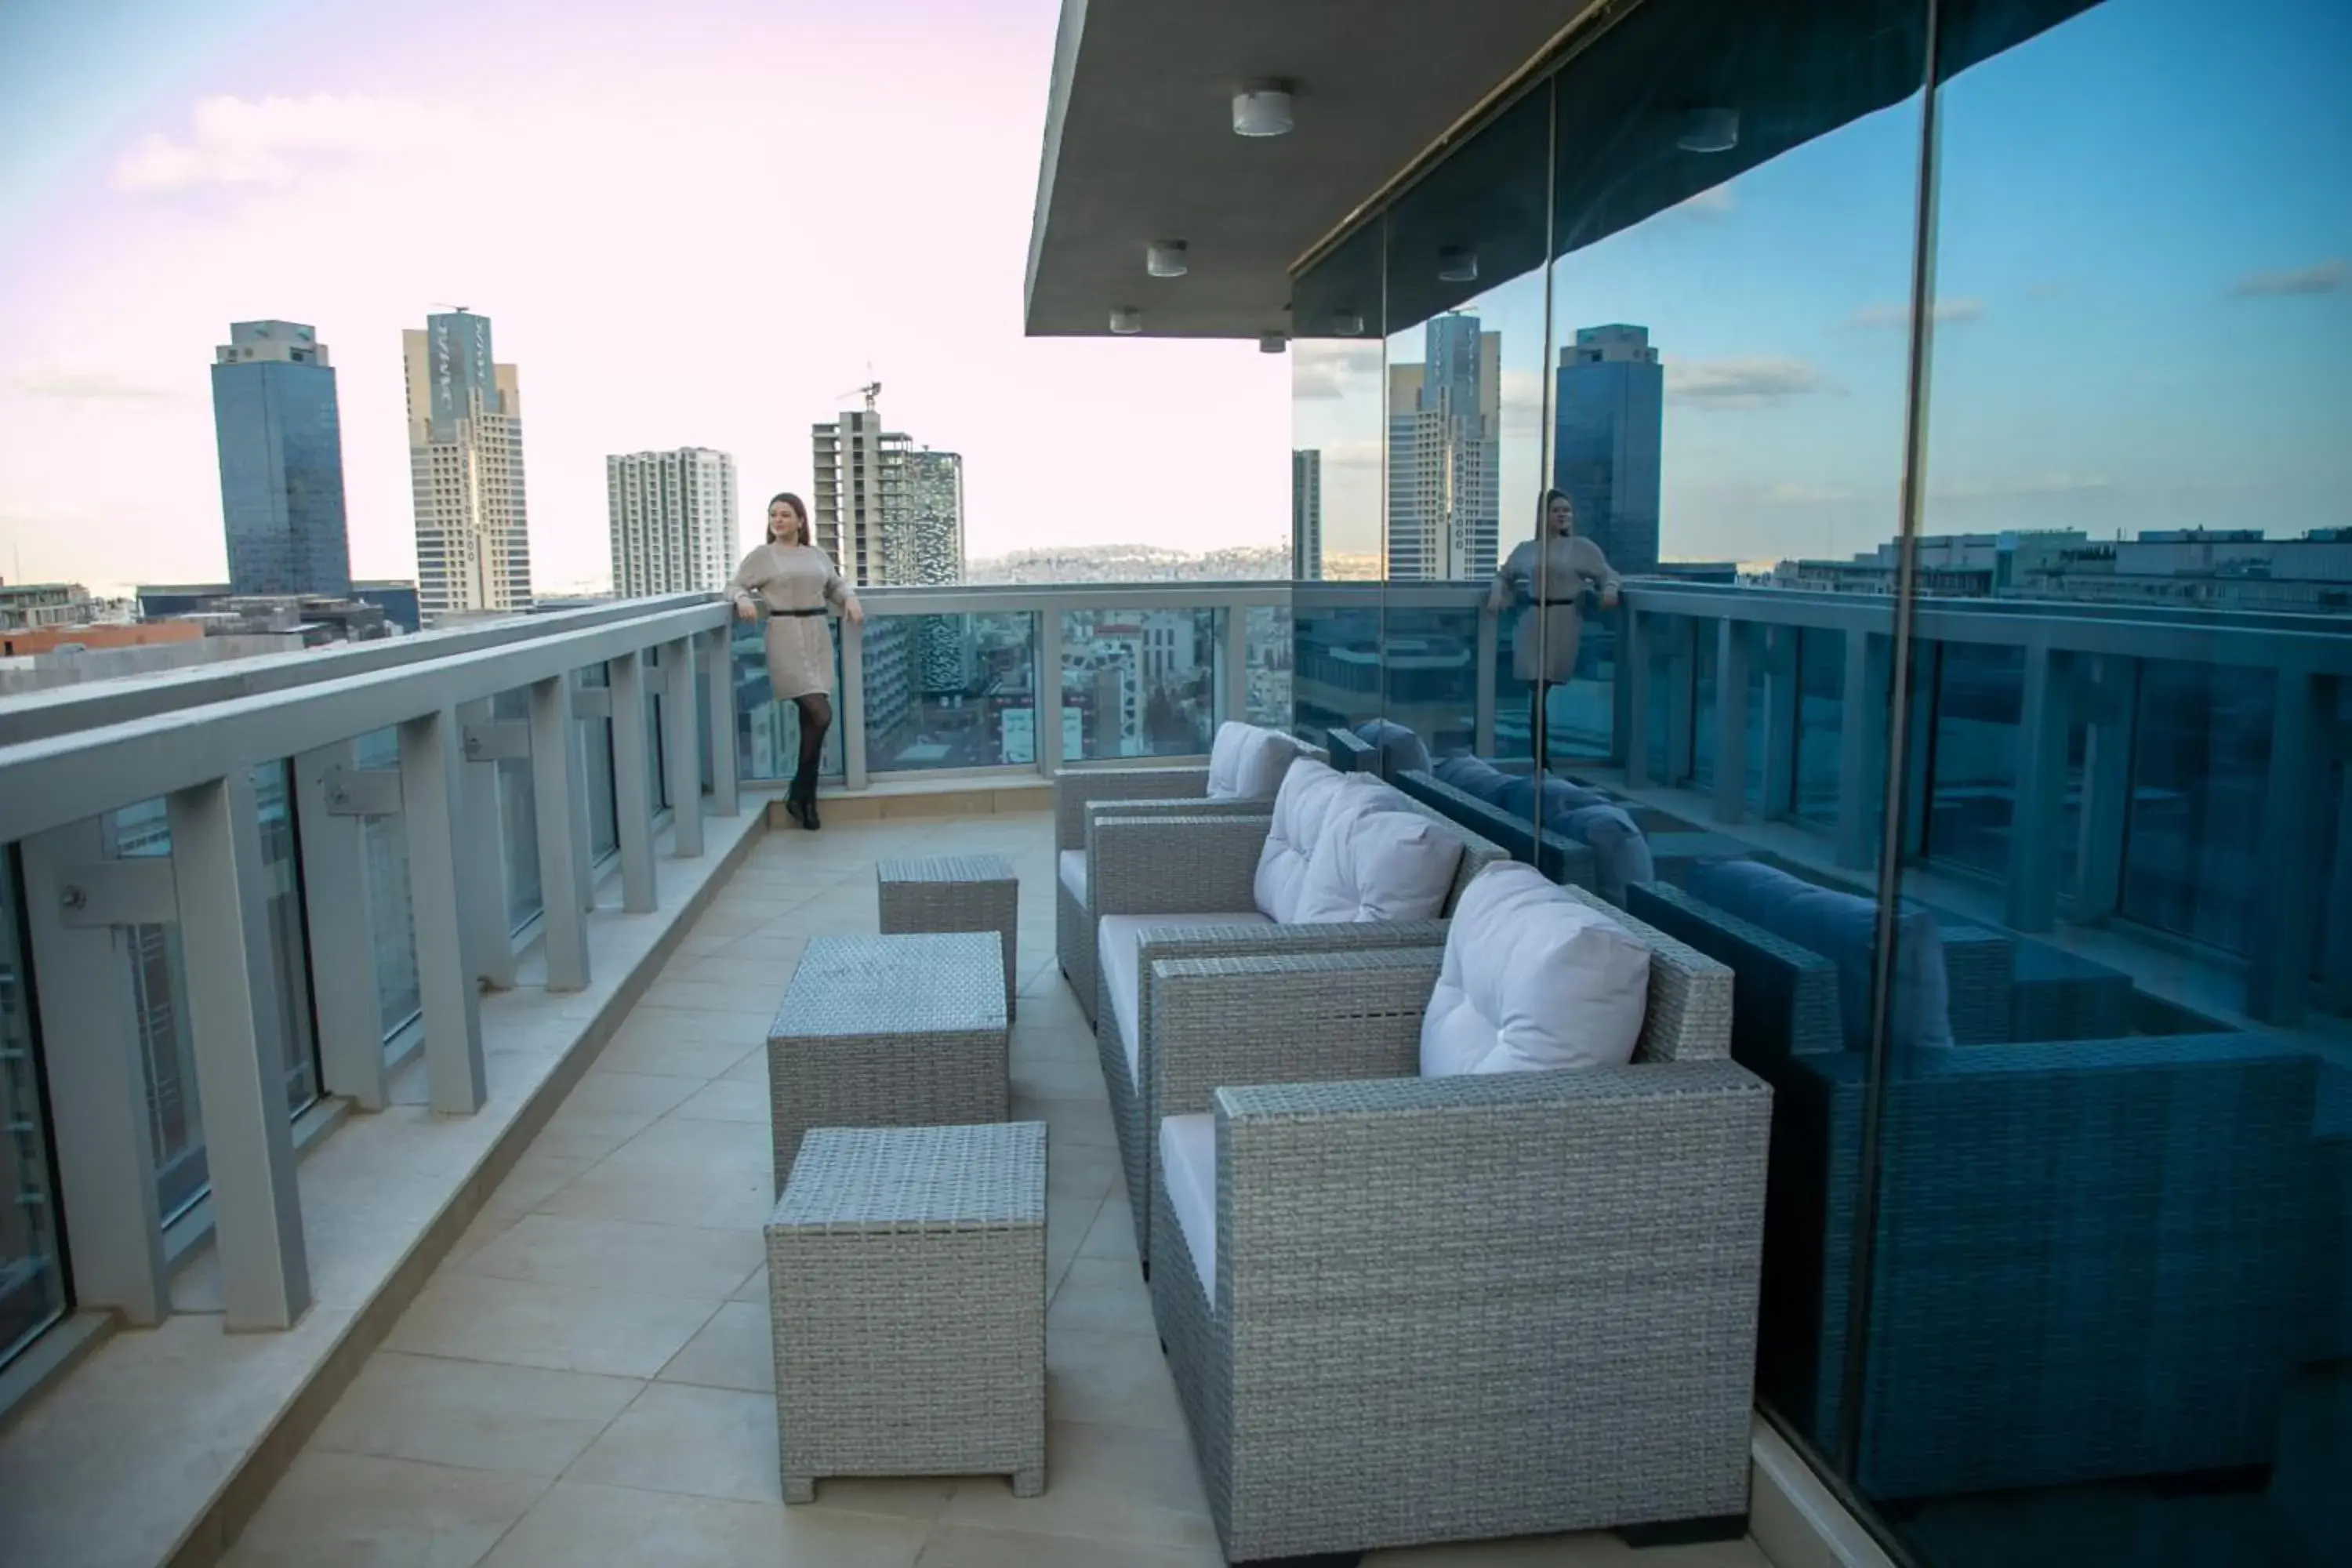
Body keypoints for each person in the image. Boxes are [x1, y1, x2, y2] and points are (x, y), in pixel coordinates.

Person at [730, 492, 862, 829]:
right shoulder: (763, 556)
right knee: (821, 714)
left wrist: (850, 599)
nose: (778, 520)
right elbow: (733, 585)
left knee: (812, 720)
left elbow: (834, 583)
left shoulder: (816, 555)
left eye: (785, 515)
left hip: (817, 633)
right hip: (785, 633)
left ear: (800, 521)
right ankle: (800, 792)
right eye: (773, 514)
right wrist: (743, 598)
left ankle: (805, 799)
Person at [1488, 488, 1621, 768]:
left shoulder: (1582, 547)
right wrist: (1497, 594)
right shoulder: (1527, 550)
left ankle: (1542, 758)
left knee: (1546, 686)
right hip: (1533, 620)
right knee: (1536, 688)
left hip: (1563, 619)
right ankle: (1540, 759)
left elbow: (1607, 574)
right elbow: (1504, 575)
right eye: (1557, 510)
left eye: (1566, 510)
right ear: (1544, 516)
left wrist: (1609, 591)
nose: (1563, 515)